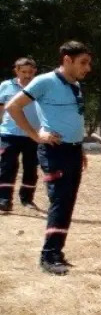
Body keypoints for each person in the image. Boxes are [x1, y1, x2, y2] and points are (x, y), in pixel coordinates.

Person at [4, 42, 92, 275]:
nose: (88, 68)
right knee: (60, 201)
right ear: (67, 59)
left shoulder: (76, 85)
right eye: (83, 62)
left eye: (88, 63)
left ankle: (57, 252)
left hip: (72, 150)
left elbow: (73, 119)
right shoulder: (45, 81)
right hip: (55, 151)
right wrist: (35, 135)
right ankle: (48, 256)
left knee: (68, 201)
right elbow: (13, 107)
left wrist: (80, 148)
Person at [0, 58, 41, 212]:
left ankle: (27, 200)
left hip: (33, 134)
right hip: (9, 134)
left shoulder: (39, 87)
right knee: (7, 166)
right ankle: (4, 200)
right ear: (16, 71)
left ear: (35, 71)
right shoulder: (5, 86)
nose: (27, 75)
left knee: (31, 167)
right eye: (23, 72)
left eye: (30, 72)